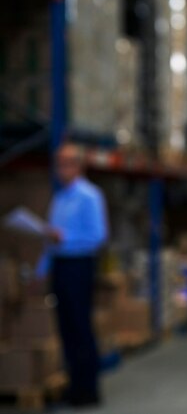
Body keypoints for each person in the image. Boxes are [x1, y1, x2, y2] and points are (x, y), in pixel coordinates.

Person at [38, 142, 108, 407]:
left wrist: (64, 238)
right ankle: (74, 384)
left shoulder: (90, 196)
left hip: (80, 265)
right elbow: (49, 242)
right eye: (58, 164)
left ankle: (89, 389)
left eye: (67, 163)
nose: (61, 169)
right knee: (65, 327)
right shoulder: (59, 198)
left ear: (79, 166)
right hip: (60, 266)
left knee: (80, 326)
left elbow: (98, 236)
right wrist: (40, 271)